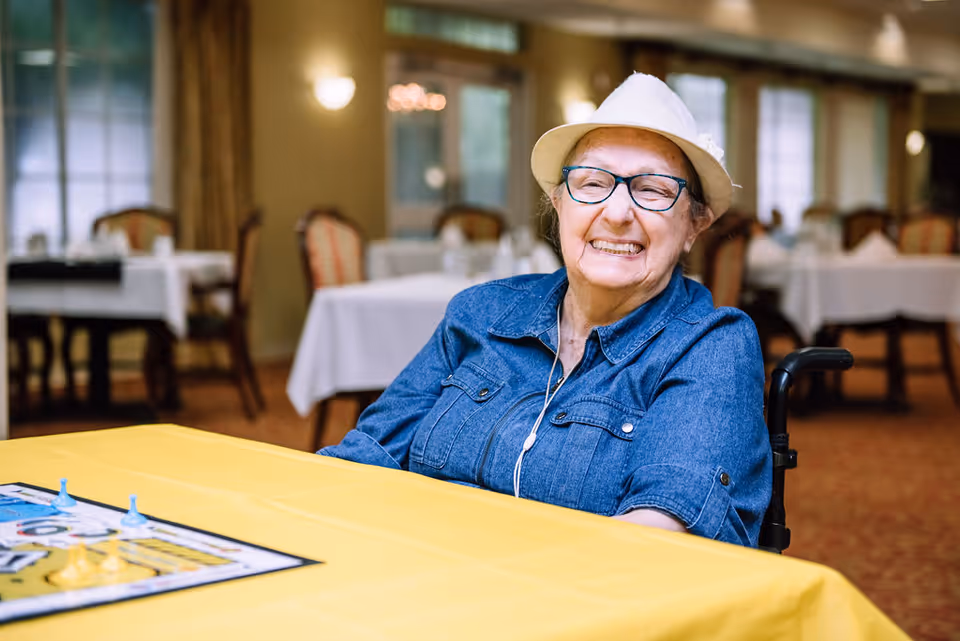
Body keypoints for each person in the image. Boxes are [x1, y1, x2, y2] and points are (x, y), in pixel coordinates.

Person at [321, 73, 771, 547]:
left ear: (693, 226)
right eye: (593, 183)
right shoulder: (479, 313)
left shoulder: (712, 346)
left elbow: (655, 539)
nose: (617, 214)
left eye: (654, 190)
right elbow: (365, 458)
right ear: (559, 204)